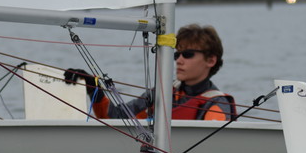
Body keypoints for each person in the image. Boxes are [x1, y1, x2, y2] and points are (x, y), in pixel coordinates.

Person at [64, 24, 236, 121]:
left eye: (188, 54)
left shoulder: (217, 105)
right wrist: (93, 86)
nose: (179, 60)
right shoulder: (161, 94)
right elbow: (115, 118)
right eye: (177, 54)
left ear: (210, 60)